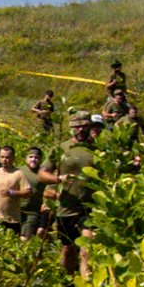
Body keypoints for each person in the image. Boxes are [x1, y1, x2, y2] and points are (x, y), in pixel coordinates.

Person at [43, 113, 100, 274]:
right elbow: (42, 174)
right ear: (71, 128)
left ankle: (87, 286)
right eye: (77, 126)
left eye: (85, 126)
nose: (81, 130)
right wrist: (58, 179)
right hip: (67, 208)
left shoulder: (97, 149)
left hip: (90, 208)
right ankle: (68, 281)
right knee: (68, 250)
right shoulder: (61, 148)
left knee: (86, 248)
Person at [0, 145, 37, 233]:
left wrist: (12, 193)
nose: (4, 160)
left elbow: (28, 192)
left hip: (12, 219)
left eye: (7, 157)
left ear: (13, 158)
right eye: (2, 157)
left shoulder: (19, 174)